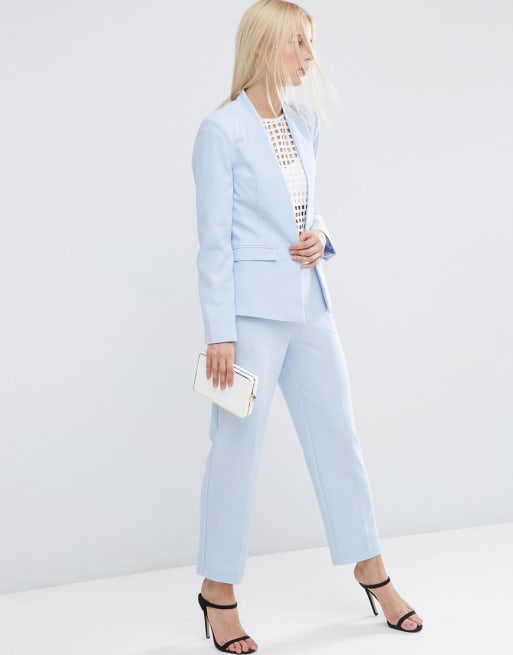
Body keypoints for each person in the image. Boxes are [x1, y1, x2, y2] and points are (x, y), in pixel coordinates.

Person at [191, 1, 423, 652]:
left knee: (338, 437)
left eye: (310, 42)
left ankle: (370, 569)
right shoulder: (221, 131)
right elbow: (213, 241)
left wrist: (322, 236)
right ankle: (217, 590)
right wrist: (219, 330)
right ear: (264, 46)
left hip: (311, 305)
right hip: (248, 319)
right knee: (235, 449)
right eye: (297, 42)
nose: (308, 55)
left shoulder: (304, 121)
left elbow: (307, 210)